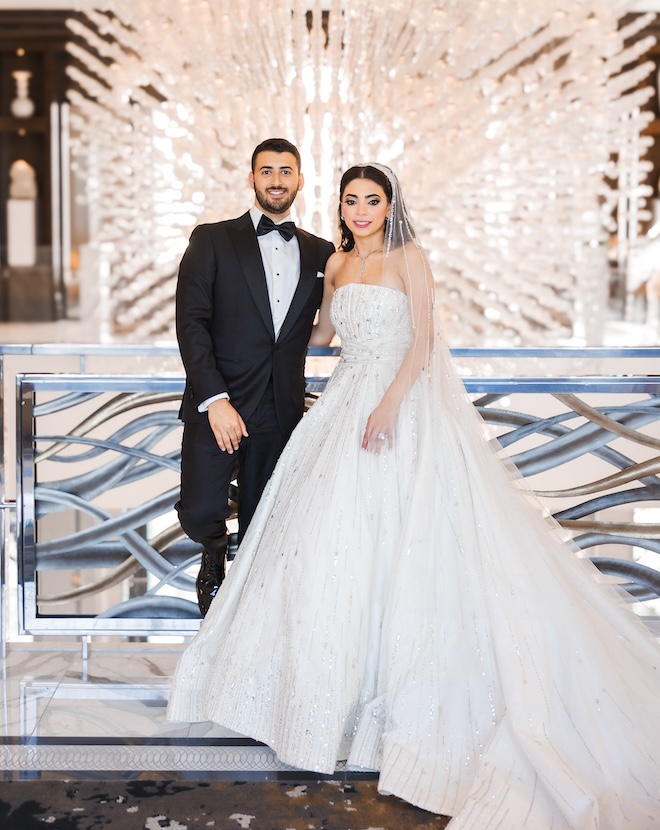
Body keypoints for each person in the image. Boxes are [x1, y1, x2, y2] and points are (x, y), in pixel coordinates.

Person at [168, 163, 660, 829]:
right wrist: (238, 355)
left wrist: (391, 405)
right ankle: (308, 701)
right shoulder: (334, 267)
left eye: (373, 199)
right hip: (341, 409)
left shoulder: (411, 258)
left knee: (407, 545)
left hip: (397, 409)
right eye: (351, 200)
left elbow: (423, 340)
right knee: (319, 549)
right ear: (338, 207)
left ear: (390, 204)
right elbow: (312, 339)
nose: (362, 210)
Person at [175, 137, 335, 616]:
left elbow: (320, 327)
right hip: (219, 401)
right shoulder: (212, 238)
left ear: (300, 181)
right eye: (267, 171)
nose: (276, 180)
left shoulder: (322, 252)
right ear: (252, 179)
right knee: (200, 508)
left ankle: (248, 615)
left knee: (263, 519)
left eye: (286, 172)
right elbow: (191, 323)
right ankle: (212, 551)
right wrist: (215, 399)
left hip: (280, 407)